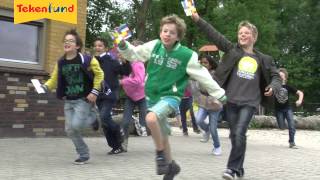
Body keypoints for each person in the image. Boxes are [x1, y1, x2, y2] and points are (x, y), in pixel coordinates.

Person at [118, 14, 226, 180]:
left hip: (171, 96)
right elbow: (135, 55)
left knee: (151, 119)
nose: (167, 34)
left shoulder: (186, 55)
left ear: (178, 36)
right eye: (164, 31)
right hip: (152, 96)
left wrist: (220, 94)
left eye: (172, 32)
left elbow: (203, 75)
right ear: (160, 32)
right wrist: (123, 45)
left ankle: (160, 155)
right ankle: (171, 167)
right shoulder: (154, 45)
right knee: (163, 136)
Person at [191, 13, 281, 180]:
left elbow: (276, 76)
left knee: (239, 132)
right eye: (240, 33)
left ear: (254, 37)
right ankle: (239, 168)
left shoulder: (264, 59)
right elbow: (215, 34)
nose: (242, 35)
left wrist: (272, 86)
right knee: (235, 135)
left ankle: (231, 169)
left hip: (250, 102)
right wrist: (197, 19)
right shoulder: (232, 50)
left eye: (246, 33)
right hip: (231, 100)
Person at [42, 29, 104, 165]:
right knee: (69, 130)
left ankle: (92, 116)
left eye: (71, 41)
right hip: (69, 100)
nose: (67, 42)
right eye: (65, 41)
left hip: (83, 99)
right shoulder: (61, 62)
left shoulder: (87, 60)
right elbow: (54, 79)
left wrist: (94, 91)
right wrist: (45, 87)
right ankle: (83, 154)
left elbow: (99, 75)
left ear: (77, 46)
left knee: (76, 125)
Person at [93, 38, 131, 155]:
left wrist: (125, 61)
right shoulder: (93, 62)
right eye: (96, 46)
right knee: (105, 123)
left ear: (105, 48)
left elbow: (125, 71)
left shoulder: (111, 60)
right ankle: (116, 146)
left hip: (110, 94)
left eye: (100, 46)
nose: (97, 48)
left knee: (104, 117)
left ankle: (119, 131)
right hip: (99, 94)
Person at [192, 55, 223, 155]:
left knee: (213, 128)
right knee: (199, 120)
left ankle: (217, 147)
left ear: (210, 65)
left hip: (215, 103)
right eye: (201, 63)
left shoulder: (215, 74)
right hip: (203, 102)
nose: (203, 65)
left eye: (206, 63)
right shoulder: (198, 73)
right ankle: (207, 131)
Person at [120, 40, 148, 152]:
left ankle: (146, 127)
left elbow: (138, 80)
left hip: (142, 96)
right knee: (125, 122)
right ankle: (124, 142)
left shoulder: (139, 64)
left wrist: (123, 81)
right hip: (130, 96)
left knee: (144, 120)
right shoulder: (126, 63)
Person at [274, 68, 304, 149]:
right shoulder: (274, 86)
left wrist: (299, 100)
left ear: (285, 77)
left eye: (282, 76)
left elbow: (300, 93)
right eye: (278, 76)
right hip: (278, 110)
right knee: (282, 127)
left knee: (291, 125)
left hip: (287, 109)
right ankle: (284, 124)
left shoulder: (288, 87)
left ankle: (292, 142)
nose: (280, 78)